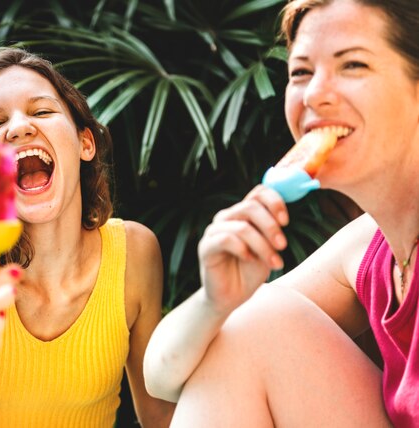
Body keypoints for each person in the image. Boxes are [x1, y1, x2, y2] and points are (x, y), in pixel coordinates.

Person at [144, 0, 419, 426]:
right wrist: (216, 302)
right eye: (301, 72)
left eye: (353, 66)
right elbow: (160, 377)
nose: (313, 94)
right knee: (253, 321)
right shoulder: (373, 247)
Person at [0, 46, 175, 427]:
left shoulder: (135, 253)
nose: (19, 127)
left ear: (84, 142)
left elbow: (158, 414)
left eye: (41, 111)